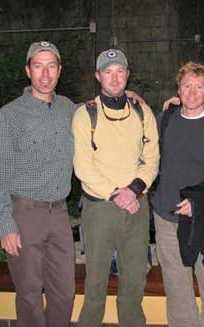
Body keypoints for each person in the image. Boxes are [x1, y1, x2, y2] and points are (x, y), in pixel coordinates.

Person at [0, 41, 76, 327]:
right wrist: (6, 224)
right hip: (24, 213)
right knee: (29, 295)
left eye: (51, 66)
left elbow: (99, 113)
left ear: (59, 71)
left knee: (64, 292)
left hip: (60, 214)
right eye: (38, 66)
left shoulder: (68, 109)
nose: (45, 74)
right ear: (28, 71)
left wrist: (129, 96)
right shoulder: (9, 116)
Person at [72, 49, 159, 327]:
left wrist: (133, 190)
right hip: (100, 209)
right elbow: (83, 167)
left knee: (134, 279)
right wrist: (117, 193)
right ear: (98, 76)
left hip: (136, 205)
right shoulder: (85, 115)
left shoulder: (142, 112)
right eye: (107, 71)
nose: (114, 77)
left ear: (127, 75)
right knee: (96, 282)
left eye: (119, 71)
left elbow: (152, 158)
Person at [152, 61, 204, 327]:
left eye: (200, 87)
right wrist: (133, 98)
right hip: (167, 218)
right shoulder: (164, 121)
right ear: (178, 88)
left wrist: (198, 203)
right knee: (177, 289)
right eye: (187, 85)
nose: (193, 92)